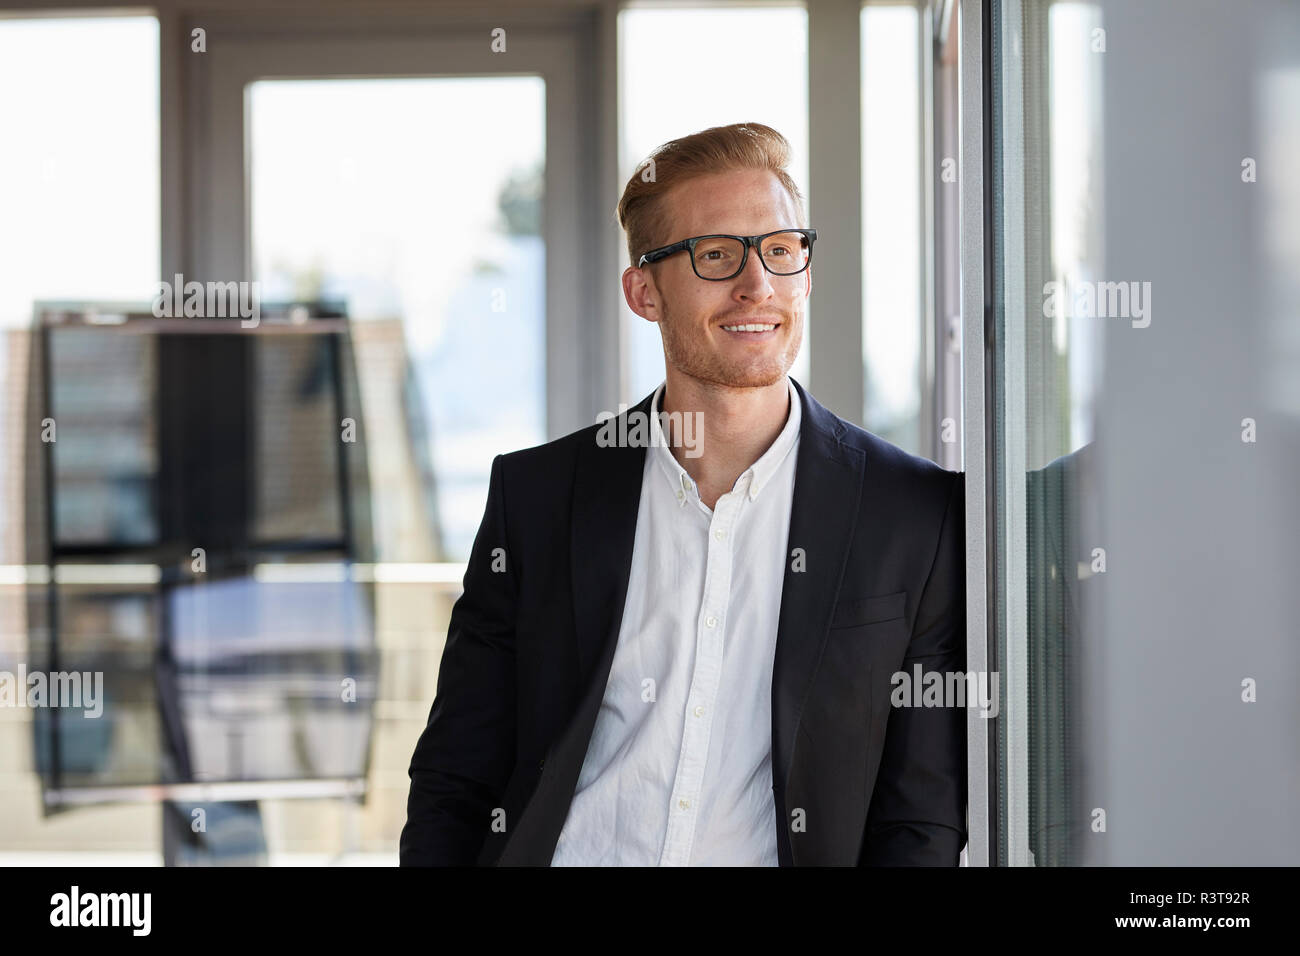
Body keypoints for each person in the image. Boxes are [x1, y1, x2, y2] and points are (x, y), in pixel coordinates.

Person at [400, 122, 966, 866]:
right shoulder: (536, 499)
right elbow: (455, 777)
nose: (757, 283)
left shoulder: (915, 514)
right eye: (717, 253)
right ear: (644, 291)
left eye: (781, 249)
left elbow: (918, 820)